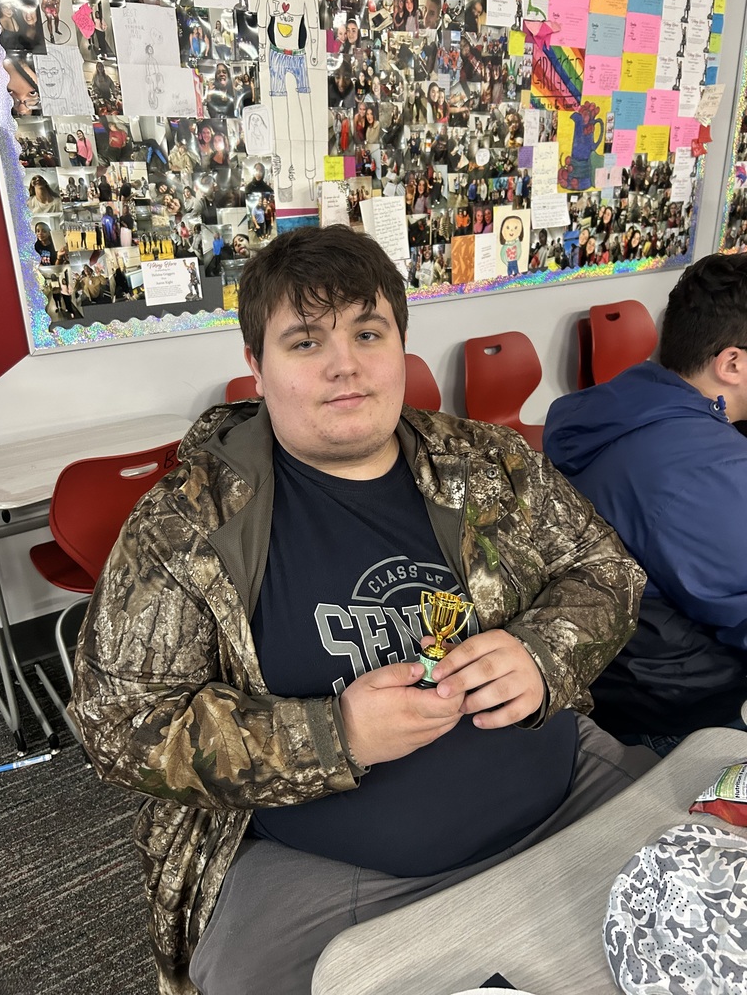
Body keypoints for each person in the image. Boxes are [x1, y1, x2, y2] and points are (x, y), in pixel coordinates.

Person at [70, 224, 655, 995]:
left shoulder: (490, 461)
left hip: (569, 796)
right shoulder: (186, 524)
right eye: (305, 342)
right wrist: (333, 733)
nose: (344, 364)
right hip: (331, 874)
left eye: (367, 333)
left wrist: (544, 653)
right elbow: (119, 726)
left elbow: (606, 569)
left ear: (400, 348)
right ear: (257, 367)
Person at [543, 253, 747, 756]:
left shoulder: (621, 405)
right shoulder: (705, 469)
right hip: (686, 711)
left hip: (622, 683)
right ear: (732, 363)